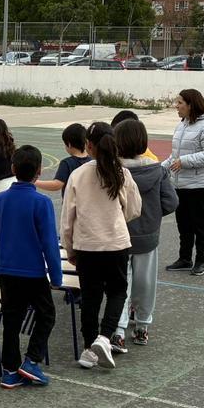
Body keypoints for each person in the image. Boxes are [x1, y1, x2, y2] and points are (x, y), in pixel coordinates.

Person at [61, 122, 142, 371]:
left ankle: (88, 349)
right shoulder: (122, 173)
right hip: (116, 242)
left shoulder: (78, 174)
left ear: (89, 145)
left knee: (90, 295)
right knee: (118, 291)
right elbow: (133, 209)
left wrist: (70, 248)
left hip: (87, 244)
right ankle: (105, 337)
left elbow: (67, 218)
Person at [0, 145, 64, 388]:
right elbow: (50, 242)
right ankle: (31, 360)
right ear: (39, 172)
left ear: (12, 169)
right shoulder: (41, 202)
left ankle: (9, 370)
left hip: (7, 270)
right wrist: (56, 275)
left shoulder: (0, 199)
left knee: (11, 318)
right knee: (47, 314)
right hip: (33, 271)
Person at [113, 118, 178, 347]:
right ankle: (142, 326)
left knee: (120, 284)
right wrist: (152, 215)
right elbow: (171, 201)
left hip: (119, 237)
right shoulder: (157, 171)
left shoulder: (112, 172)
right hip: (148, 237)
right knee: (146, 283)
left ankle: (118, 329)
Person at [163, 89, 204, 277]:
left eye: (180, 103)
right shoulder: (182, 125)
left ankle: (201, 261)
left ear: (190, 105)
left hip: (201, 185)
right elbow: (175, 156)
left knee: (200, 225)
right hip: (181, 184)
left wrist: (185, 161)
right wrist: (160, 169)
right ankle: (185, 258)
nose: (176, 106)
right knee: (183, 224)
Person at [35, 123, 90, 194]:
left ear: (69, 144)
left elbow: (57, 185)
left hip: (72, 202)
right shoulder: (92, 160)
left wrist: (35, 182)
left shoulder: (67, 163)